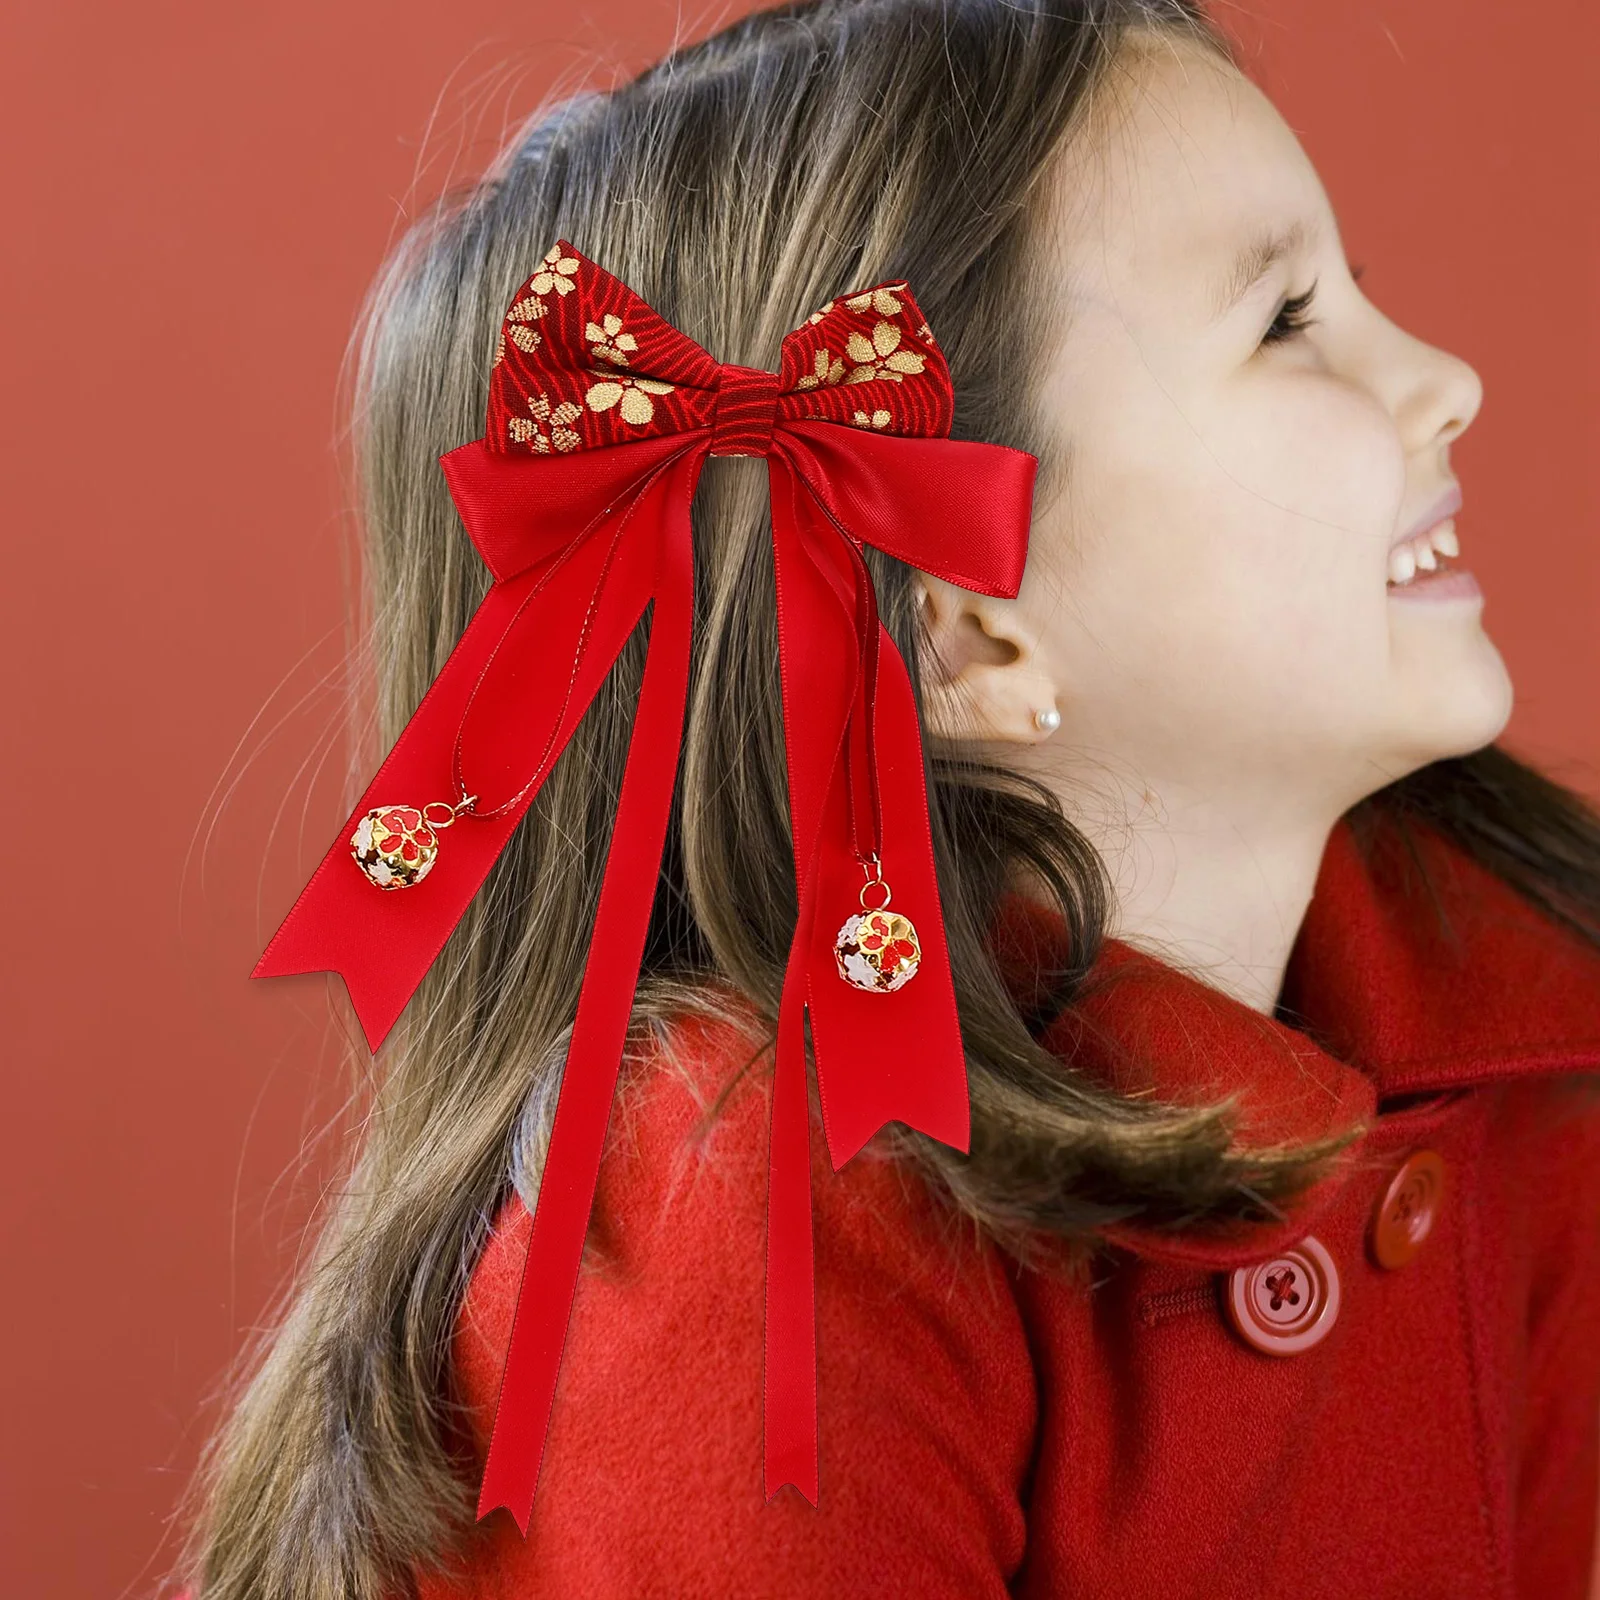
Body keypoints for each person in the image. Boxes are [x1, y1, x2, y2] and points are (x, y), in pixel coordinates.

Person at [176, 0, 1600, 1595]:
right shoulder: (752, 1233)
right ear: (970, 627)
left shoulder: (1513, 1061)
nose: (1448, 380)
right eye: (1284, 321)